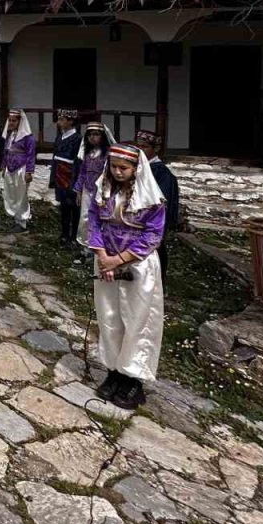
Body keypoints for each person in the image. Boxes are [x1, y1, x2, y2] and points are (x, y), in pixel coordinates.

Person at [87, 143, 167, 410]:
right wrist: (102, 257)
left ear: (136, 169)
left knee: (137, 320)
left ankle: (133, 378)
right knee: (109, 317)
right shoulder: (103, 192)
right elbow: (94, 222)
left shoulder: (151, 199)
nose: (118, 172)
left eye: (124, 168)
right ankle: (113, 369)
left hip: (138, 265)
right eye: (114, 167)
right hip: (105, 262)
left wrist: (117, 260)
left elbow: (153, 235)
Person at [134, 129, 180, 281]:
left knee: (156, 249)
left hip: (153, 218)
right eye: (138, 146)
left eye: (145, 147)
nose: (140, 150)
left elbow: (161, 201)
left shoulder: (162, 173)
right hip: (136, 216)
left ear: (156, 149)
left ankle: (159, 279)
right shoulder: (139, 167)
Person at [73, 122, 116, 264]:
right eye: (90, 135)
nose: (93, 137)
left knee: (98, 219)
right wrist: (79, 190)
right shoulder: (88, 153)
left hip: (102, 191)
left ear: (103, 136)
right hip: (87, 189)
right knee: (85, 217)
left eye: (96, 134)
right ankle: (86, 247)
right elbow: (83, 172)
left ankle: (97, 248)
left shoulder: (108, 154)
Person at [51, 108, 82, 248]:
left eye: (62, 119)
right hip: (59, 174)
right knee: (63, 206)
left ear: (71, 121)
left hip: (71, 176)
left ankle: (74, 236)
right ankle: (64, 234)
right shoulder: (59, 137)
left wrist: (77, 182)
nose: (59, 122)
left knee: (74, 207)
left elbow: (79, 162)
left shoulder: (78, 139)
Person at [1, 108, 37, 228]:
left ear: (20, 122)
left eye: (14, 121)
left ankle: (22, 222)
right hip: (9, 169)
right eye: (10, 120)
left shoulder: (28, 138)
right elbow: (6, 152)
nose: (11, 123)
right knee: (10, 194)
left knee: (21, 196)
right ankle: (12, 217)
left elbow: (31, 155)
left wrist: (29, 171)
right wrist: (3, 166)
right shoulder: (9, 135)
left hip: (21, 169)